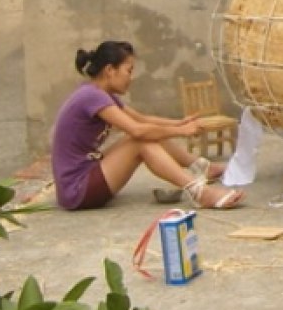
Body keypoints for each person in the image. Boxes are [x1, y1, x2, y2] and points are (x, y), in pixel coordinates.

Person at [51, 40, 244, 211]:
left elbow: (141, 119)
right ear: (110, 70)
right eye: (129, 70)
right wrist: (180, 131)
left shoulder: (100, 94)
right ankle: (199, 192)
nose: (131, 77)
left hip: (86, 176)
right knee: (140, 141)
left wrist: (179, 122)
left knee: (144, 136)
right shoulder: (92, 96)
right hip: (77, 189)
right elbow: (137, 130)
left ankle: (202, 167)